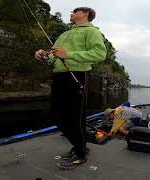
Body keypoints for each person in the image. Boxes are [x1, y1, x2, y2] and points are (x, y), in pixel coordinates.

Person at [34, 7, 106, 168]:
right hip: (60, 76)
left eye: (75, 11)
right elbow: (53, 58)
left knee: (75, 117)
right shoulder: (64, 34)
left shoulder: (92, 31)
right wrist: (43, 55)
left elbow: (100, 54)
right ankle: (80, 146)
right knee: (57, 115)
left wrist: (69, 55)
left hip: (78, 76)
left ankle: (80, 154)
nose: (71, 13)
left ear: (86, 14)